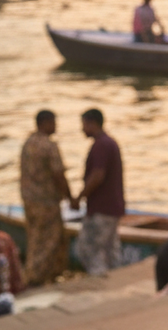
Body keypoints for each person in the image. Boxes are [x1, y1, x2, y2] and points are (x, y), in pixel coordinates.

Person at [20, 109, 72, 285]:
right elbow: (59, 175)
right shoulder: (49, 146)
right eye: (54, 122)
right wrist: (70, 197)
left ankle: (33, 274)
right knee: (50, 241)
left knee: (35, 239)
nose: (56, 126)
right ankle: (37, 278)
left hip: (29, 201)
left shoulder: (28, 143)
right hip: (46, 203)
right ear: (46, 123)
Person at [74, 110, 125, 276]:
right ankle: (115, 280)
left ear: (92, 123)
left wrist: (79, 197)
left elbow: (97, 175)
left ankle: (99, 281)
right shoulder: (110, 143)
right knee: (110, 251)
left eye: (84, 125)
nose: (82, 129)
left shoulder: (101, 145)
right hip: (112, 207)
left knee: (89, 249)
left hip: (102, 208)